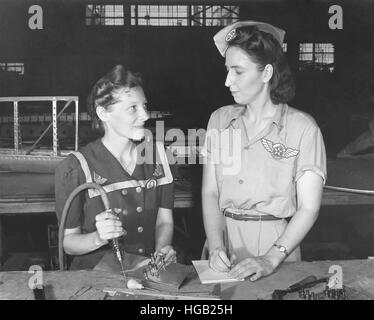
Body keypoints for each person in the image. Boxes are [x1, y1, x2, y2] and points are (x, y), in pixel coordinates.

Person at [201, 21, 326, 281]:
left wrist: (271, 258)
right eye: (227, 70)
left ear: (266, 73)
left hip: (277, 248)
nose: (227, 81)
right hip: (222, 244)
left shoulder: (303, 128)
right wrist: (215, 246)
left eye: (237, 71)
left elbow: (309, 207)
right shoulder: (220, 120)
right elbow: (210, 192)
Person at [55, 65, 176, 269]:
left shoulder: (159, 157)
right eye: (132, 108)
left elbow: (164, 220)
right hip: (95, 277)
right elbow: (68, 243)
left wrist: (162, 249)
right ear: (103, 113)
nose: (145, 115)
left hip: (145, 271)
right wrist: (98, 237)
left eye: (144, 106)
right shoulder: (75, 167)